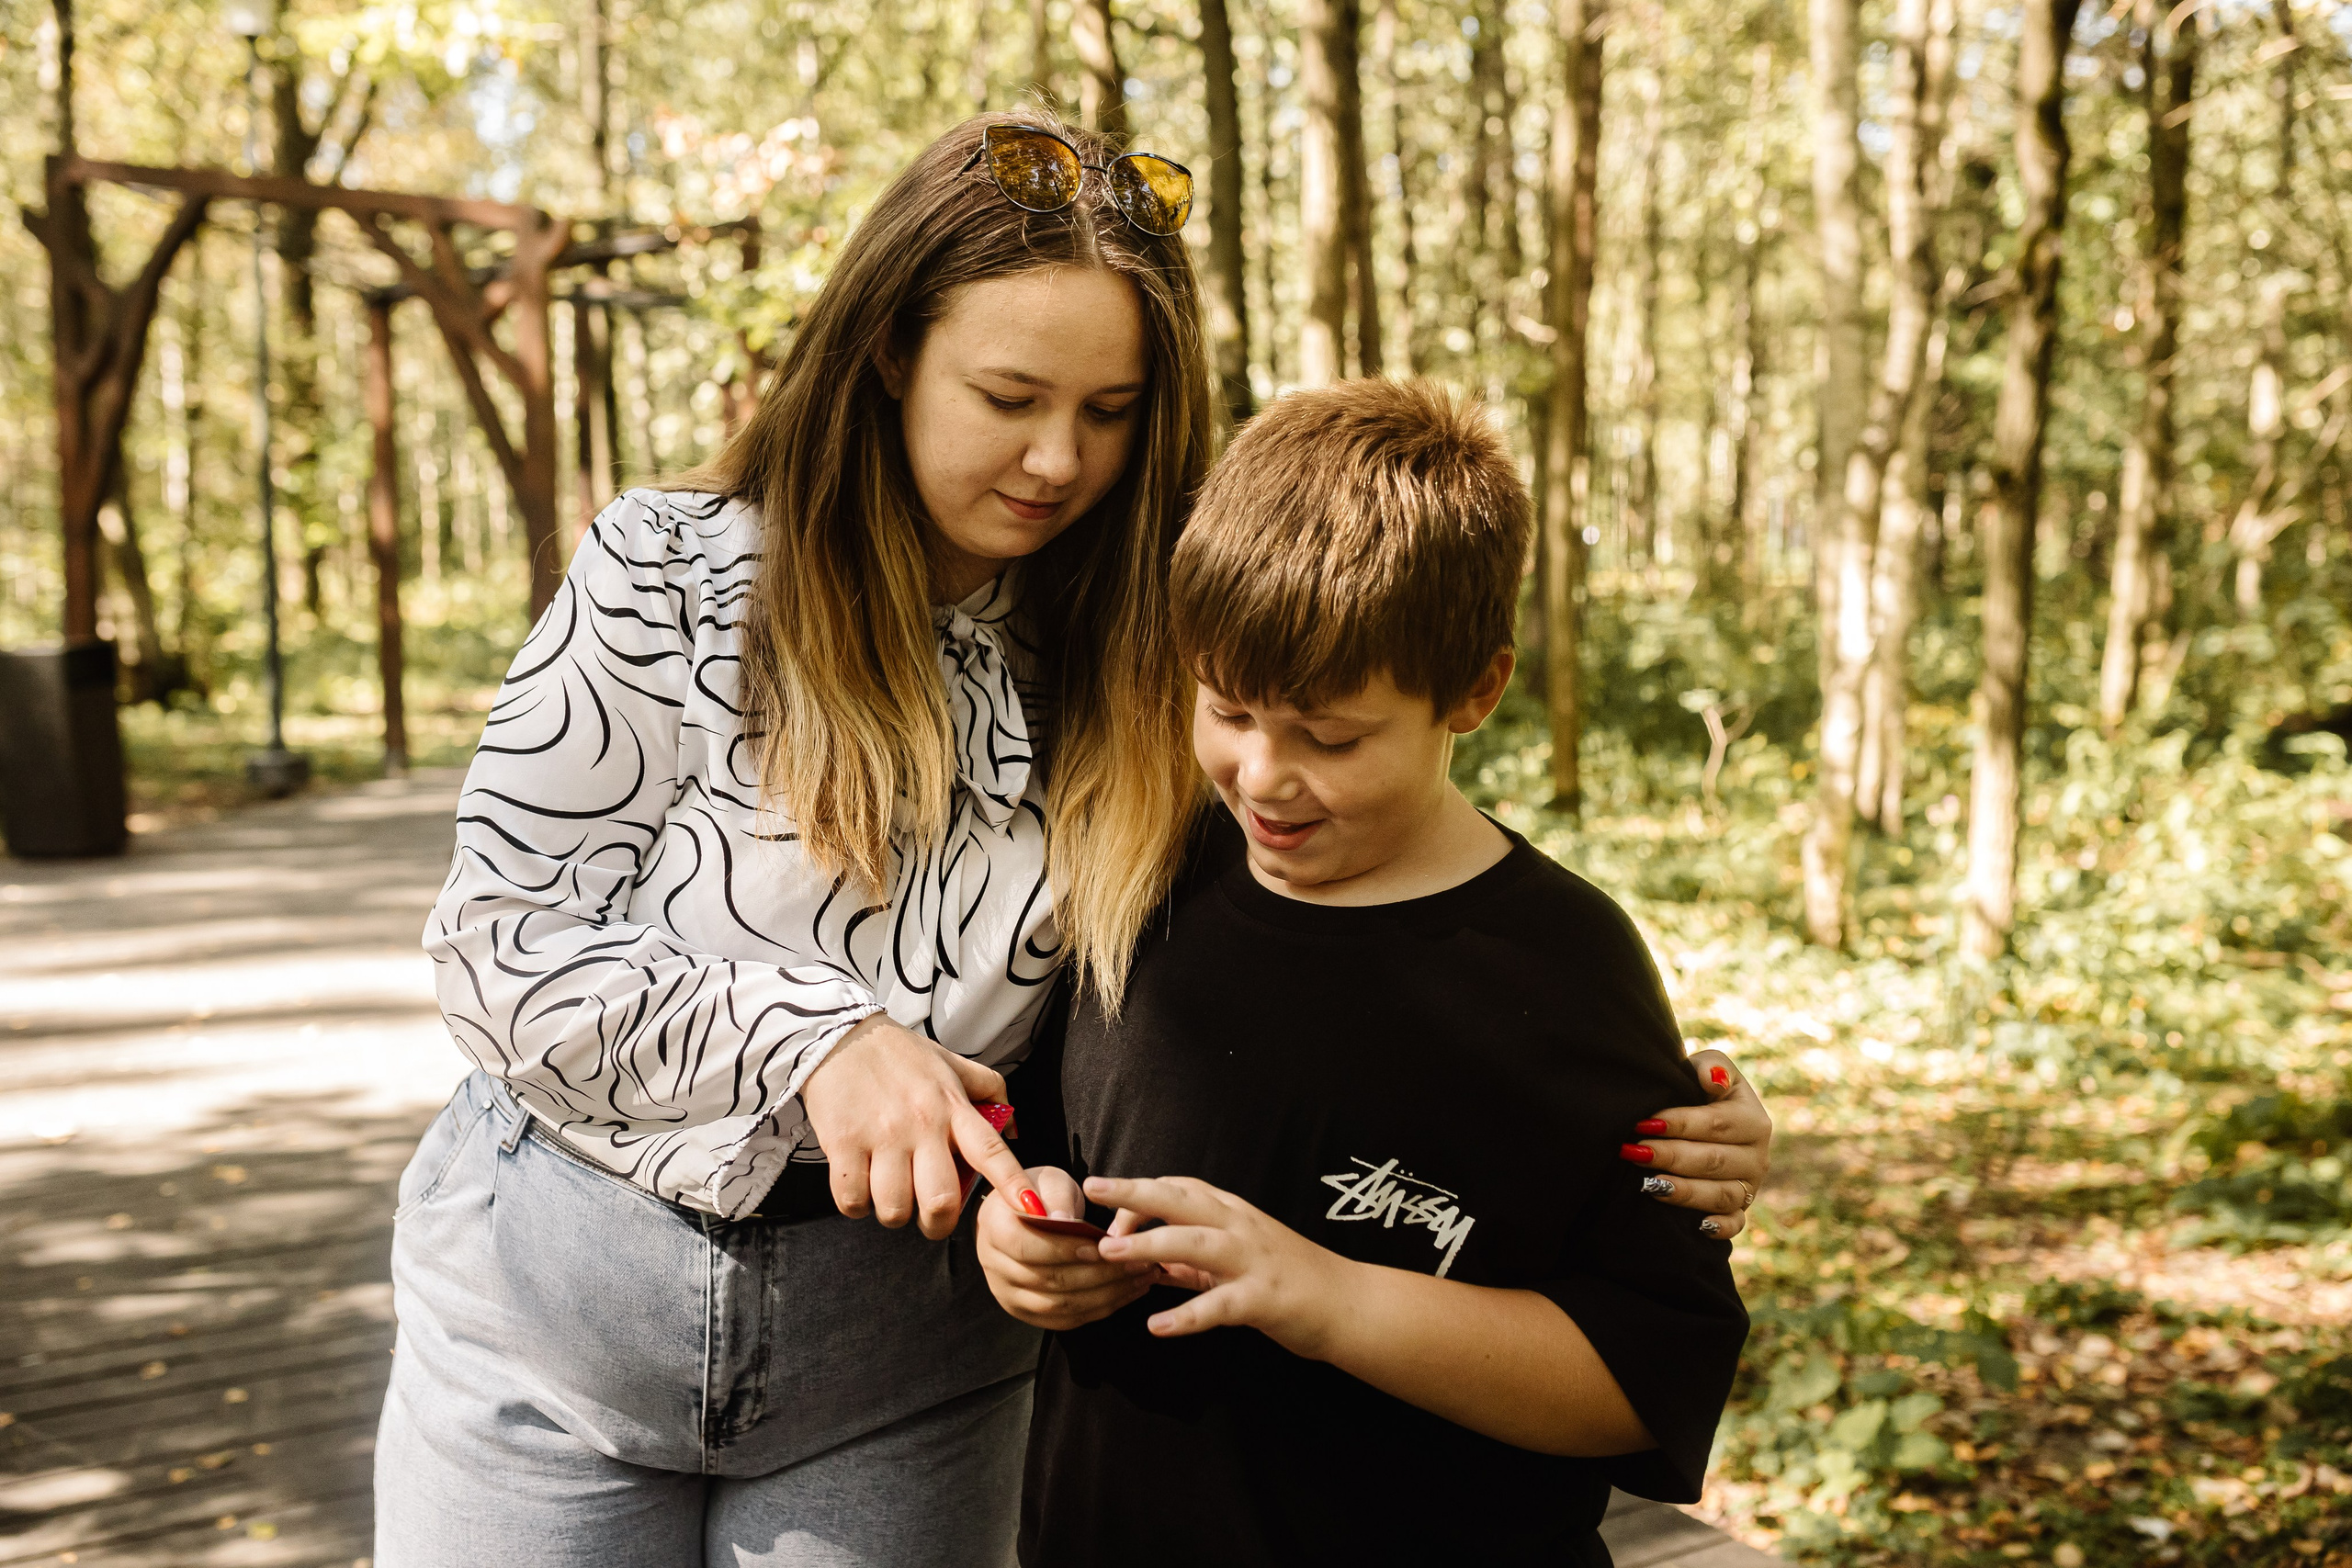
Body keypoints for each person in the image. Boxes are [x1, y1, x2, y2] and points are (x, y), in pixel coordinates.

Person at [376, 109, 1770, 1567]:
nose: (1058, 459)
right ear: (889, 353)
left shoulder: (1152, 645)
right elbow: (498, 949)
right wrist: (817, 1041)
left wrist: (1620, 1114)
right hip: (555, 1309)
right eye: (1009, 395)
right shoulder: (668, 573)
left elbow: (1359, 855)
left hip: (915, 1346)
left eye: (1112, 411)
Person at [978, 379, 1750, 1568]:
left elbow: (1641, 1384)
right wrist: (1021, 1236)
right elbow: (1030, 1141)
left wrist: (1327, 1298)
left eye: (1331, 736)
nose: (1262, 776)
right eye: (1228, 709)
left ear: (1476, 692)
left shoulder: (1565, 968)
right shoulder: (1142, 876)